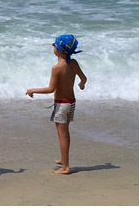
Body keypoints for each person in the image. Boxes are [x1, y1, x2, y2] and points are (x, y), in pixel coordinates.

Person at [26, 34, 88, 174]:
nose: (52, 46)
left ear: (60, 49)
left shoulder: (57, 68)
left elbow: (51, 89)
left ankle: (65, 167)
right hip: (71, 103)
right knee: (65, 133)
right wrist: (81, 85)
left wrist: (33, 90)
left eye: (54, 44)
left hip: (61, 105)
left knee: (62, 134)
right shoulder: (74, 64)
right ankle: (63, 158)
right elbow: (84, 78)